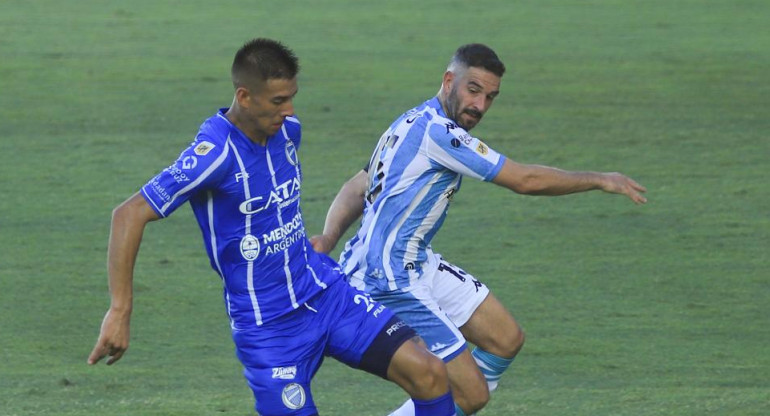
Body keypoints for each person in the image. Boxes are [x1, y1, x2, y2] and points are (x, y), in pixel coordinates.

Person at [87, 38, 458, 416]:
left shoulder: (288, 132)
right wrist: (120, 309)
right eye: (278, 101)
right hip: (269, 330)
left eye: (292, 97)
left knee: (429, 374)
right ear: (245, 97)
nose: (290, 110)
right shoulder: (213, 155)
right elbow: (128, 214)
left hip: (324, 294)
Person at [310, 43, 647, 416]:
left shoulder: (409, 121)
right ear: (449, 80)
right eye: (473, 91)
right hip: (388, 276)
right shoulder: (439, 134)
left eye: (491, 97)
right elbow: (525, 180)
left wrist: (328, 238)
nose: (481, 106)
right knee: (470, 395)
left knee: (505, 338)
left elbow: (358, 184)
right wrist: (600, 179)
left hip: (415, 261)